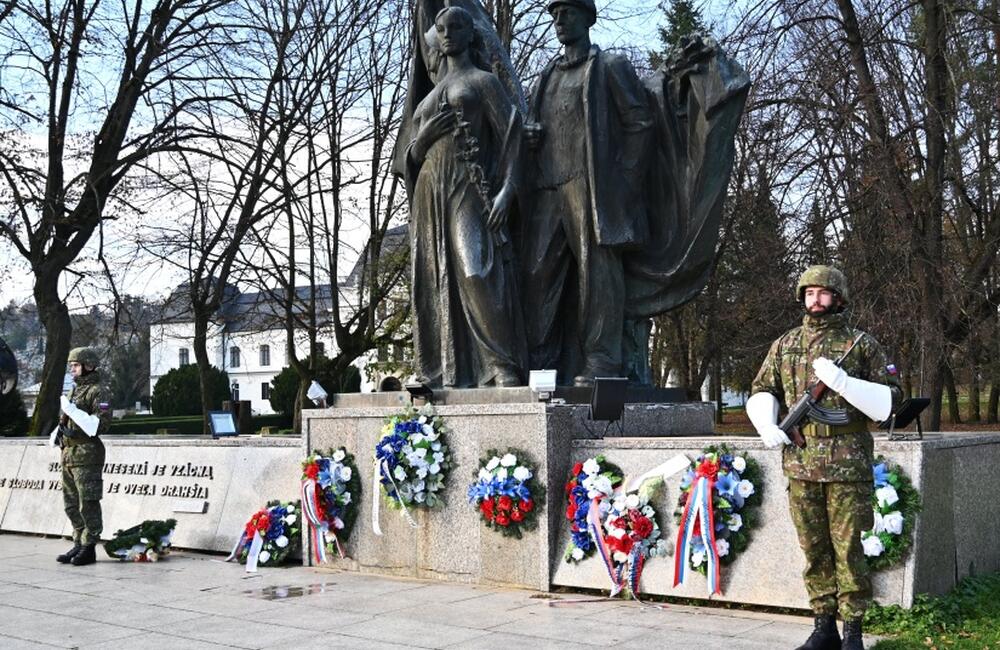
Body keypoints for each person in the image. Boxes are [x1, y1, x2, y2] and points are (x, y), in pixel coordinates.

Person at [747, 265, 902, 650]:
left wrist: (845, 384)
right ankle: (823, 628)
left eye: (823, 293)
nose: (816, 300)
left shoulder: (860, 344)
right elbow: (763, 387)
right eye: (810, 293)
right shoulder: (785, 344)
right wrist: (767, 424)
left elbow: (891, 400)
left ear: (838, 298)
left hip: (847, 462)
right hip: (801, 463)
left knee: (848, 550)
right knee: (814, 549)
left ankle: (852, 632)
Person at [520, 0, 654, 386]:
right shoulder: (546, 75)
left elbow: (640, 125)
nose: (559, 20)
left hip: (590, 186)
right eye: (555, 14)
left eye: (568, 12)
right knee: (537, 275)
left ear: (588, 17)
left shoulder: (610, 66)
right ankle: (542, 365)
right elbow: (537, 126)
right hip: (548, 188)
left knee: (598, 276)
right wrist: (530, 137)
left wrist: (621, 184)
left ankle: (602, 361)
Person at [404, 5, 527, 388]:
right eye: (440, 28)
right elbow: (411, 153)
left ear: (470, 33)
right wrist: (422, 139)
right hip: (428, 189)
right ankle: (434, 369)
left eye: (455, 26)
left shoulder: (483, 82)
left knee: (475, 267)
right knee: (429, 277)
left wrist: (509, 189)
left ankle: (500, 364)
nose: (446, 33)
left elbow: (512, 137)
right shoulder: (431, 93)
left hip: (466, 185)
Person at [56, 347, 112, 566]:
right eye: (71, 365)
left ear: (89, 366)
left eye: (76, 365)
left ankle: (89, 546)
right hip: (69, 453)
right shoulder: (73, 391)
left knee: (87, 502)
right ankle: (79, 541)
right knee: (70, 503)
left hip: (87, 453)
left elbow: (102, 424)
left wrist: (74, 415)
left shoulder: (98, 391)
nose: (72, 369)